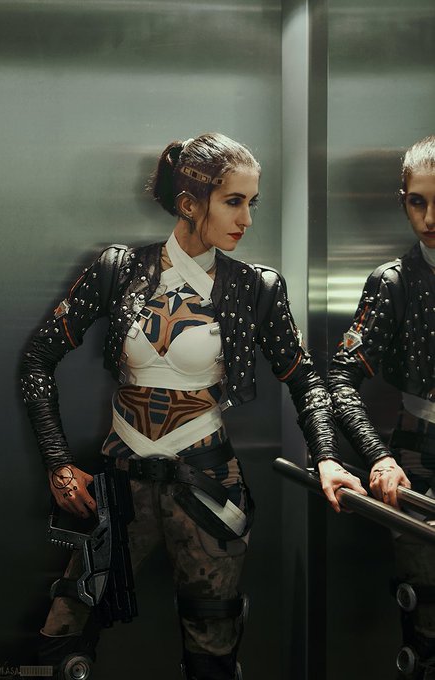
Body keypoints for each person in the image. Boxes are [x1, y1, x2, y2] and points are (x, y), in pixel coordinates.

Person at [20, 132, 361, 680]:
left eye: (252, 202)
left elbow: (306, 380)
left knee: (212, 647)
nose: (246, 219)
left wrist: (327, 457)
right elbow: (38, 359)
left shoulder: (256, 287)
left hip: (208, 484)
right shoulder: (119, 269)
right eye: (234, 201)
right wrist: (58, 464)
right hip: (121, 482)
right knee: (61, 635)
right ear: (188, 203)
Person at [327, 135, 435, 679]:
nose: (430, 218)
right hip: (420, 455)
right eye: (418, 202)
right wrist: (378, 456)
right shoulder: (395, 282)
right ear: (403, 201)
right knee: (428, 623)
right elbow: (339, 379)